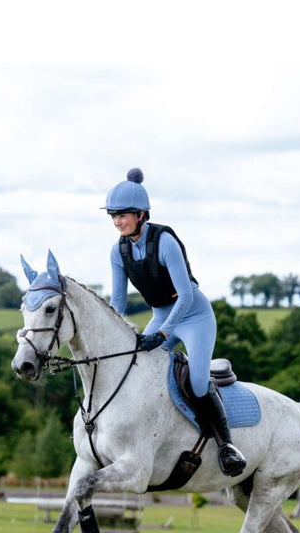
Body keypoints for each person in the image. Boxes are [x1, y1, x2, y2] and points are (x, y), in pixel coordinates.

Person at [105, 167, 247, 477]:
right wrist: (114, 337)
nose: (117, 221)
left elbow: (185, 296)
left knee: (196, 382)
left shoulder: (165, 242)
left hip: (194, 316)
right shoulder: (119, 251)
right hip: (160, 315)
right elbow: (118, 301)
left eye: (122, 215)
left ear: (141, 214)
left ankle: (226, 446)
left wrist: (163, 334)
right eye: (113, 216)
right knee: (137, 369)